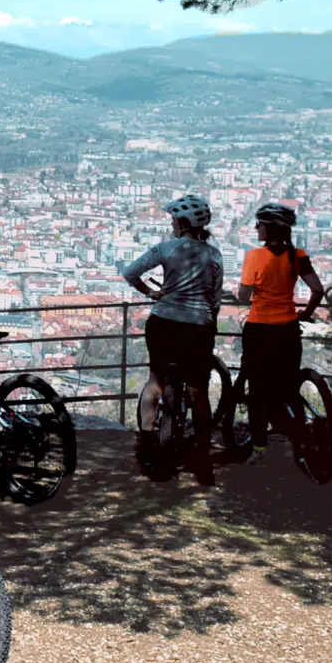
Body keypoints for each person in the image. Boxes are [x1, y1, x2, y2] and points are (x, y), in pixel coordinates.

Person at [121, 194, 225, 483]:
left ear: (181, 223)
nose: (171, 224)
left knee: (155, 382)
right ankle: (203, 459)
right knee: (198, 393)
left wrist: (151, 293)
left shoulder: (166, 248)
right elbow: (214, 300)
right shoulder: (214, 255)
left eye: (173, 220)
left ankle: (147, 441)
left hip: (164, 322)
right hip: (198, 328)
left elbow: (130, 273)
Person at [236, 201, 326, 463]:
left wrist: (242, 293)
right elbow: (318, 290)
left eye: (259, 224)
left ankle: (260, 449)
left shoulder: (254, 256)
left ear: (269, 229)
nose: (256, 228)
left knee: (258, 391)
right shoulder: (297, 256)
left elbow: (244, 296)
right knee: (287, 388)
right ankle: (299, 441)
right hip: (288, 330)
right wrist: (306, 313)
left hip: (259, 330)